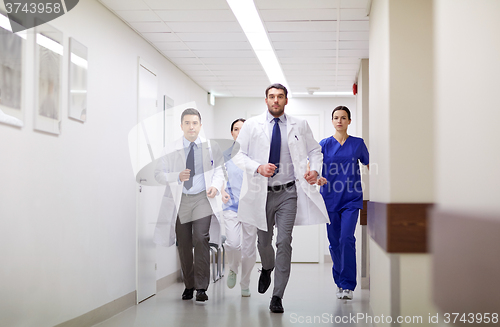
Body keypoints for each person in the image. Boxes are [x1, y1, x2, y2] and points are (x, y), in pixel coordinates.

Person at [236, 83, 329, 313]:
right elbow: (238, 154)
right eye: (271, 96)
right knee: (264, 242)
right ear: (265, 100)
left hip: (289, 192)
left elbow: (315, 151)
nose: (275, 100)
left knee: (284, 241)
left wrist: (315, 170)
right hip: (261, 193)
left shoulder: (300, 125)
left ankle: (277, 296)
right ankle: (267, 267)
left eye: (280, 96)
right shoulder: (252, 125)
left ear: (286, 100)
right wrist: (257, 167)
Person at [154, 108, 224, 303]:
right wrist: (176, 176)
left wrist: (216, 187)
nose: (191, 126)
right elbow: (159, 174)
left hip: (203, 198)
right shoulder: (170, 149)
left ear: (200, 125)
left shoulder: (211, 147)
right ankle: (189, 285)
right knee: (183, 243)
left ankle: (201, 287)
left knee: (201, 239)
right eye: (187, 123)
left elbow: (220, 171)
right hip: (181, 199)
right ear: (181, 125)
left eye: (195, 123)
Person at [317, 105, 369, 300]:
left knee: (347, 238)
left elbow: (370, 163)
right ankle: (339, 280)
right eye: (336, 117)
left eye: (343, 117)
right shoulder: (323, 144)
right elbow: (311, 165)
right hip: (329, 199)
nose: (339, 120)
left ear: (349, 121)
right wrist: (316, 177)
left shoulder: (357, 144)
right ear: (332, 121)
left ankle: (348, 285)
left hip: (351, 199)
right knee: (334, 243)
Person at [220, 118, 258, 297]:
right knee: (234, 244)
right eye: (236, 129)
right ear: (232, 133)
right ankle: (233, 268)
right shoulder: (225, 154)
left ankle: (245, 283)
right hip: (231, 205)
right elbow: (218, 175)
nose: (239, 132)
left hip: (251, 207)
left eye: (242, 129)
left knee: (249, 250)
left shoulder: (256, 154)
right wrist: (221, 191)